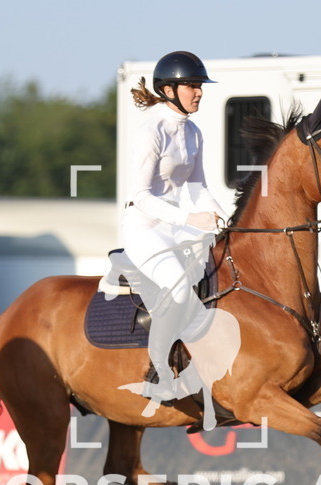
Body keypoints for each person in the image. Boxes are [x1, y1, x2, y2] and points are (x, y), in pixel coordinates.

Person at [118, 50, 227, 405]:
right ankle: (159, 372)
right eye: (192, 86)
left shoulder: (193, 132)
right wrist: (189, 219)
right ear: (168, 90)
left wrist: (224, 218)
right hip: (144, 228)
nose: (199, 92)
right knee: (179, 291)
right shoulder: (152, 131)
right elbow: (139, 195)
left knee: (221, 275)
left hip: (177, 229)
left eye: (199, 86)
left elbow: (198, 188)